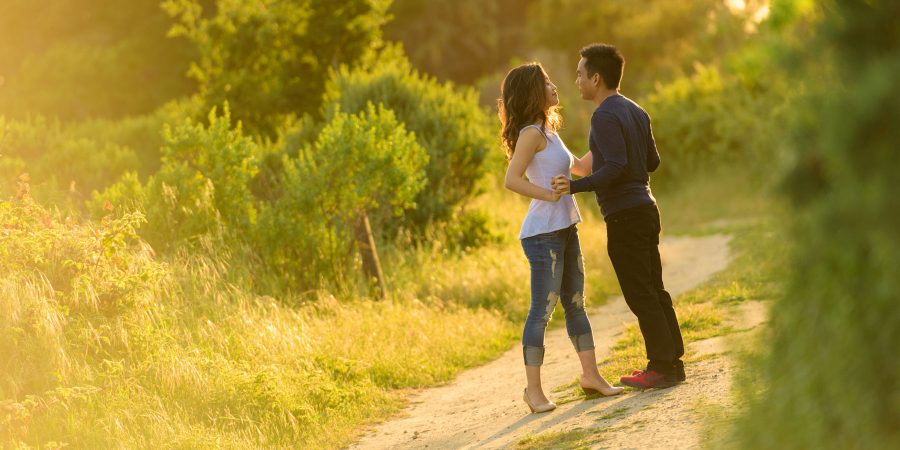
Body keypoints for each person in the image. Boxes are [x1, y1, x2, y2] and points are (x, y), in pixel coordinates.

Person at [552, 43, 686, 389]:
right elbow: (651, 162)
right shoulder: (636, 111)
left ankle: (660, 367)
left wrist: (573, 187)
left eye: (580, 74)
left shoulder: (604, 116)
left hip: (626, 215)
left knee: (640, 293)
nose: (577, 80)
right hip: (646, 208)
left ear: (596, 78)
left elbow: (616, 167)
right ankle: (673, 362)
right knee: (653, 288)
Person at [499, 62, 624, 414]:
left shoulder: (550, 131)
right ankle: (533, 391)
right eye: (546, 82)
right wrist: (548, 194)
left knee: (576, 303)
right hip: (542, 235)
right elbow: (511, 179)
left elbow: (582, 169)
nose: (555, 86)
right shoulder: (530, 134)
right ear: (532, 93)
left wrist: (613, 132)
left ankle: (591, 376)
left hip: (567, 227)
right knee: (542, 310)